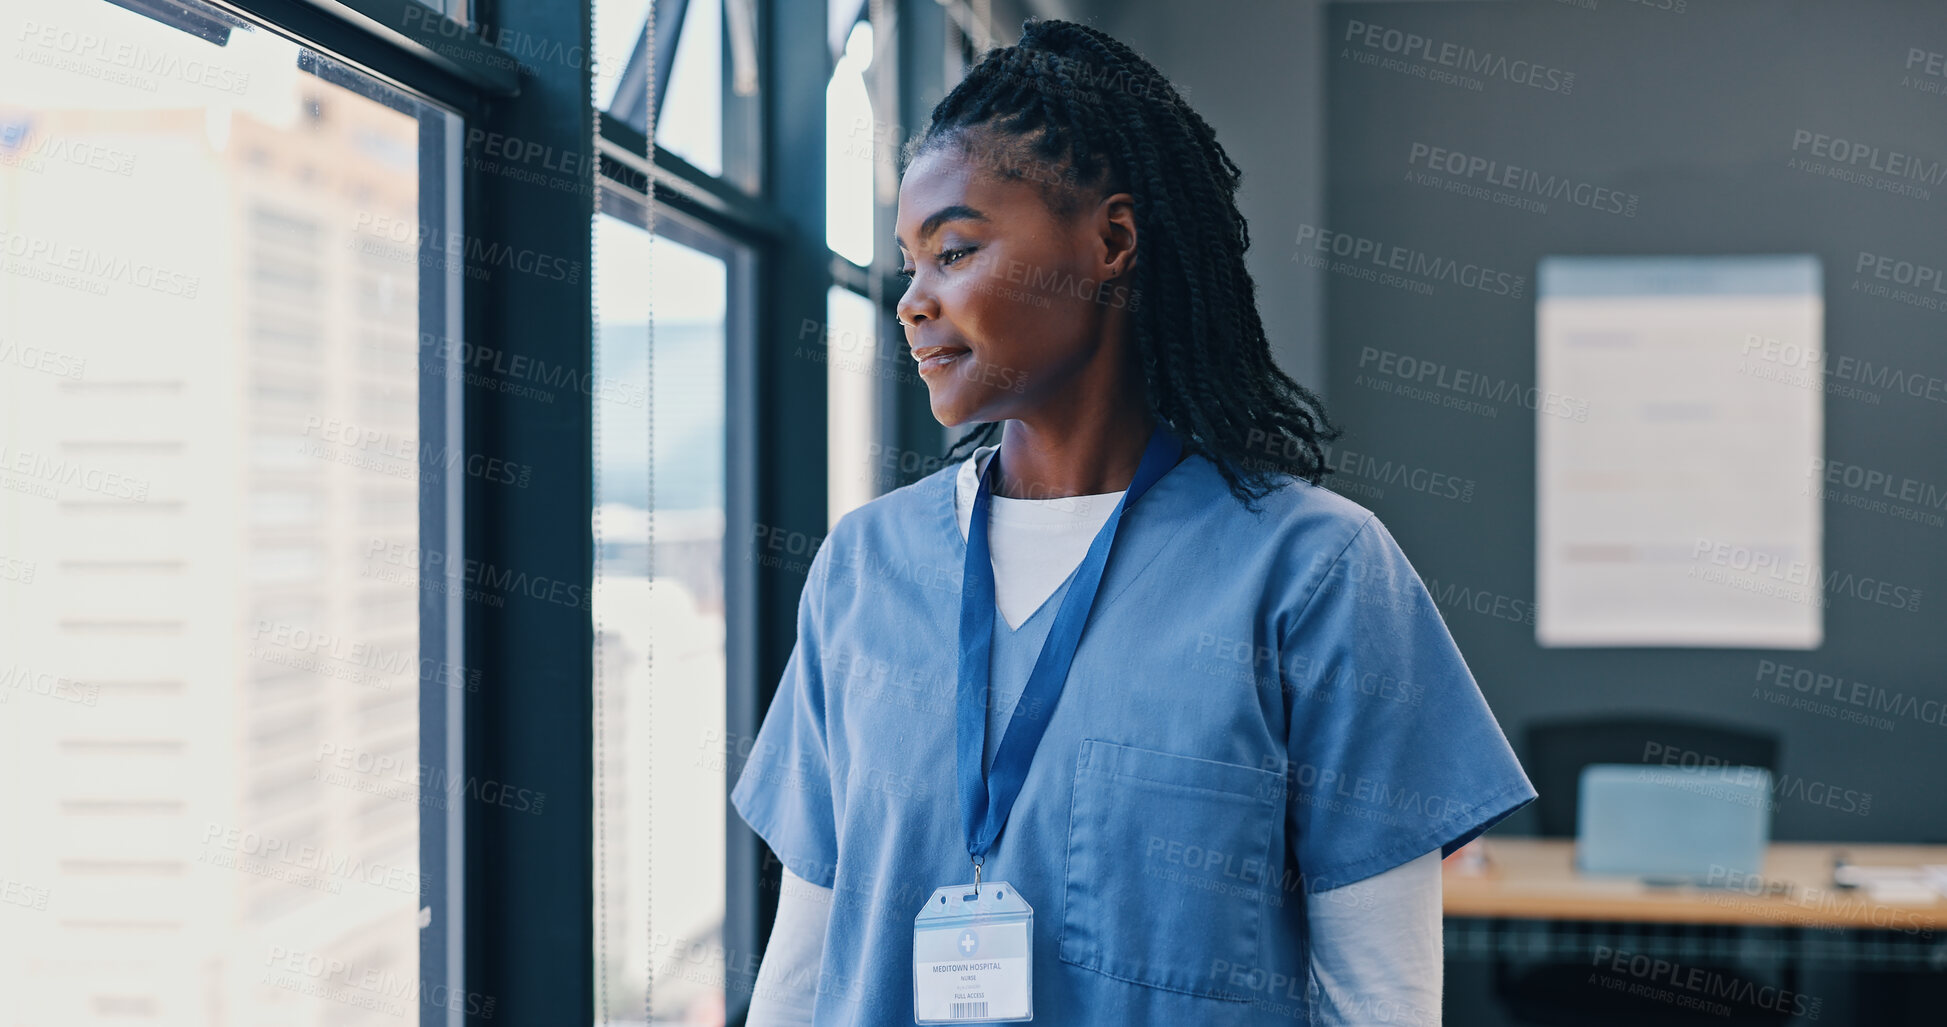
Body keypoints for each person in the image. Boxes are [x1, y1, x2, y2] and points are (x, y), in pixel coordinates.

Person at [731, 17, 1535, 1025]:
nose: (911, 299)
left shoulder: (1316, 574)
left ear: (1111, 241)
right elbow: (803, 973)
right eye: (908, 260)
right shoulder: (865, 564)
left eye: (955, 250)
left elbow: (1381, 1003)